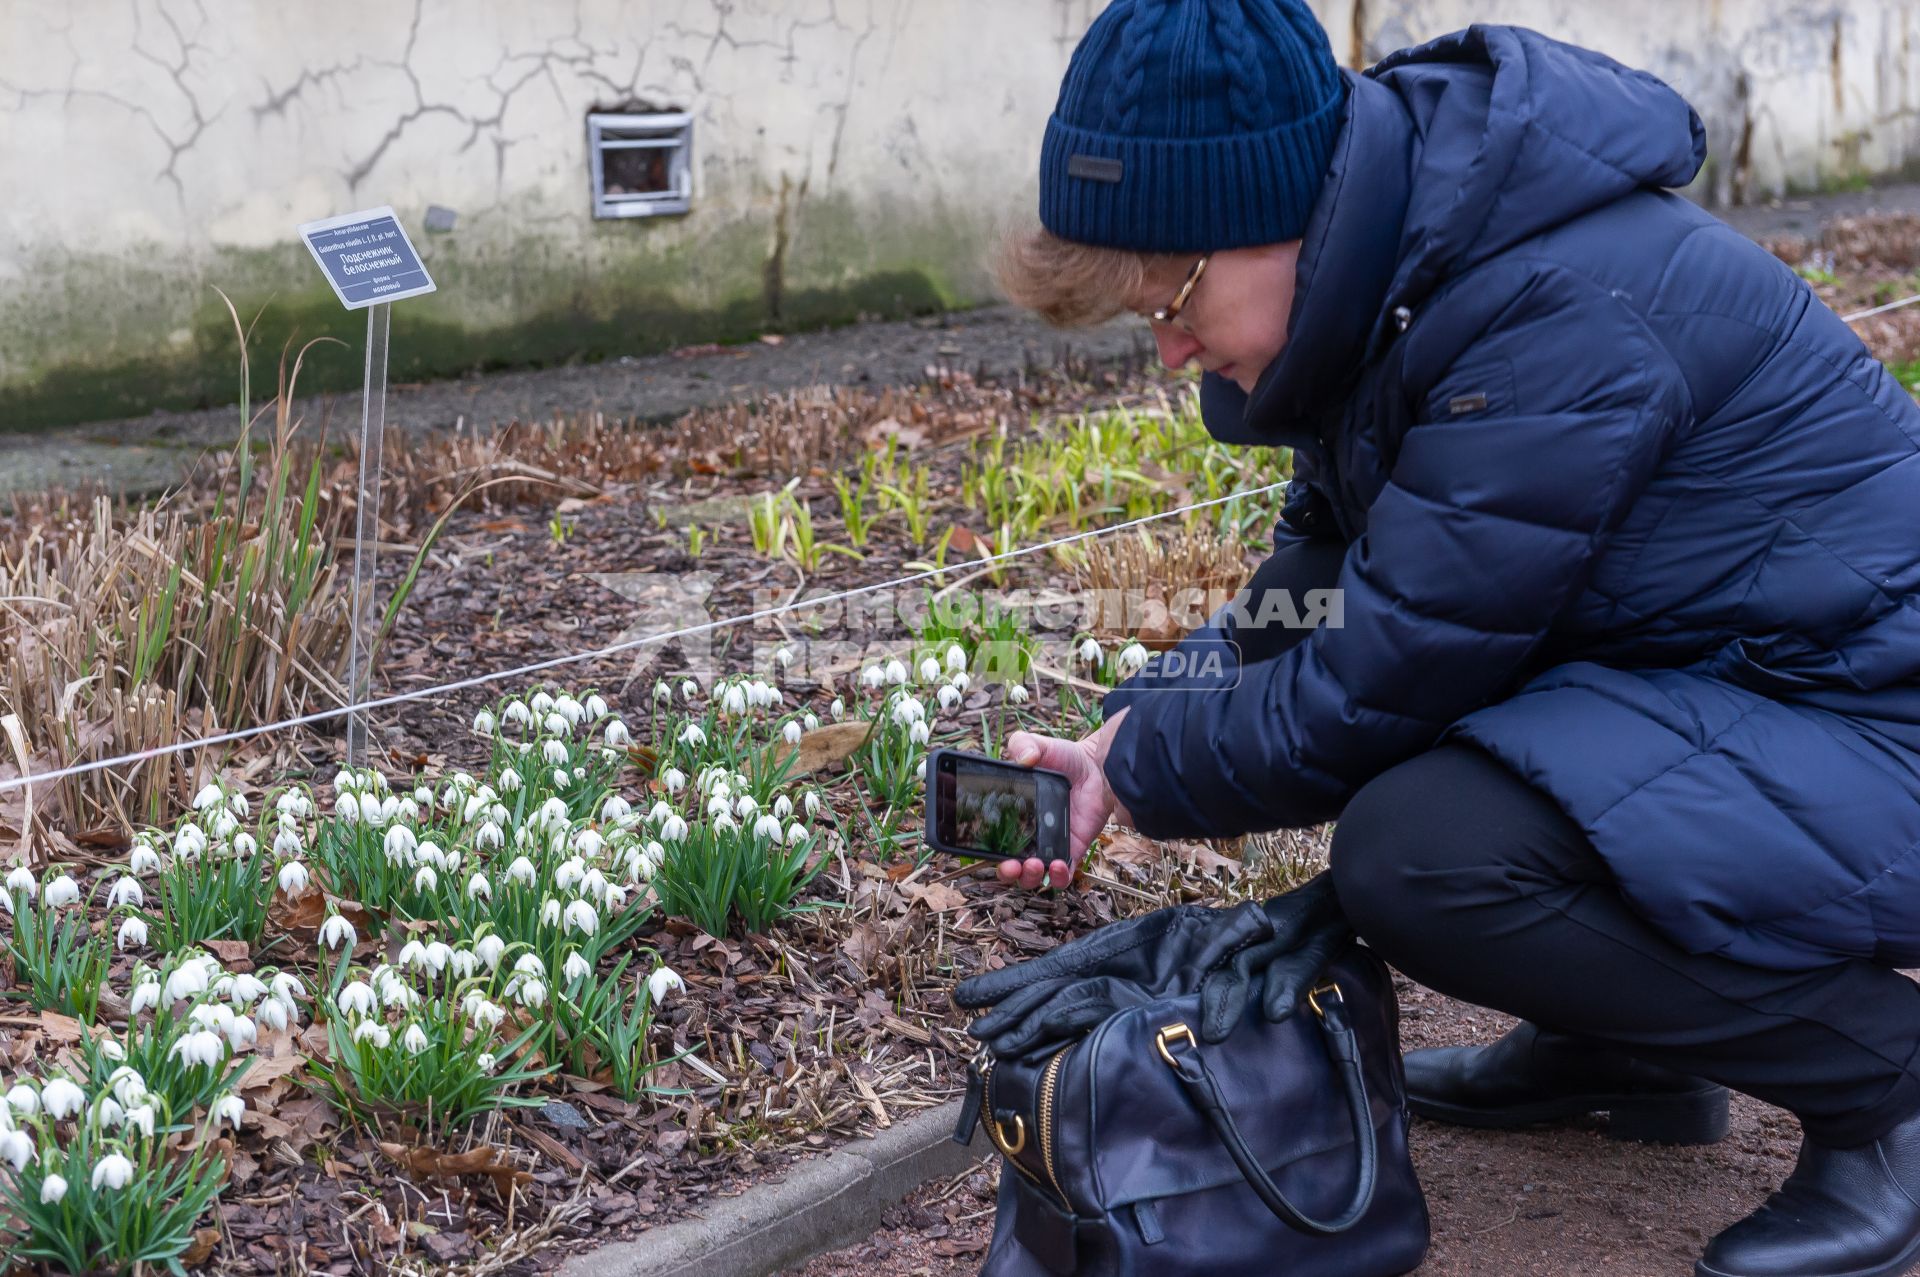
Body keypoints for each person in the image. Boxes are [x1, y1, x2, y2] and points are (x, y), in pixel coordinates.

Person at [986, 4, 1920, 1277]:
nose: (1169, 346)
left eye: (1173, 295)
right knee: (1456, 776)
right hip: (1751, 697)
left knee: (1425, 855)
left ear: (1274, 214)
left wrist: (1147, 776)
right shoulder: (1402, 278)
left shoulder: (1545, 312)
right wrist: (1142, 715)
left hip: (1877, 726)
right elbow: (1319, 584)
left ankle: (1888, 1083)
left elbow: (1390, 669)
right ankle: (1626, 1049)